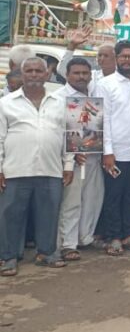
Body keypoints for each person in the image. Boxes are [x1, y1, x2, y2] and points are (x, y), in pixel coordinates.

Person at [0, 57, 75, 276]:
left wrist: (68, 165)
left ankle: (47, 253)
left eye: (38, 71)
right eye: (29, 70)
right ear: (22, 74)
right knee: (11, 215)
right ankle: (9, 257)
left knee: (49, 213)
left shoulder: (60, 102)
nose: (34, 74)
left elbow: (69, 136)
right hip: (15, 169)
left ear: (47, 74)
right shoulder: (6, 103)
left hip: (51, 168)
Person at [96, 40, 130, 256]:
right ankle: (113, 236)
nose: (127, 60)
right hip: (115, 153)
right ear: (117, 58)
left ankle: (129, 233)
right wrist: (107, 152)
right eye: (123, 56)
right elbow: (103, 120)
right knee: (113, 195)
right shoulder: (105, 84)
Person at [54, 58, 103, 260]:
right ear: (67, 75)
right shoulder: (58, 98)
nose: (81, 77)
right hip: (70, 160)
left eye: (85, 73)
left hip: (92, 156)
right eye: (76, 73)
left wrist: (91, 146)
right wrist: (72, 152)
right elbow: (55, 129)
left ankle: (85, 237)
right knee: (71, 202)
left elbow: (94, 126)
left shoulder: (92, 95)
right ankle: (68, 244)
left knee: (92, 199)